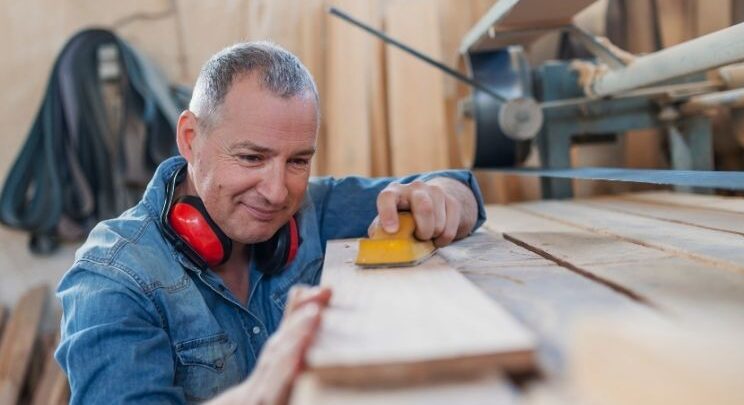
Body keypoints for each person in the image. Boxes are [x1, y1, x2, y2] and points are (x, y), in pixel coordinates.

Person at [56, 41, 486, 404]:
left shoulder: (315, 208)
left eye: (298, 161)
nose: (278, 193)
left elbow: (458, 187)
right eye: (251, 157)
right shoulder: (113, 278)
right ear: (190, 138)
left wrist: (442, 199)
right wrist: (257, 393)